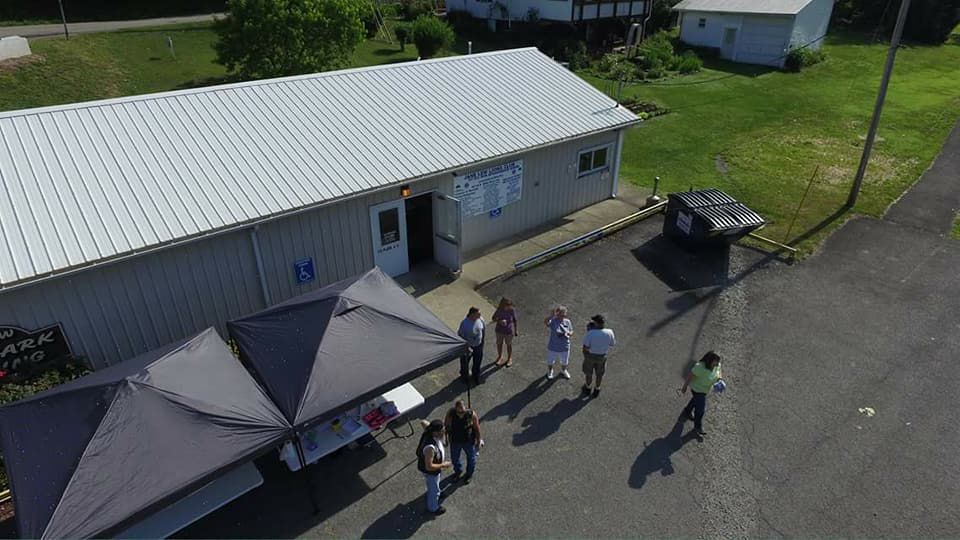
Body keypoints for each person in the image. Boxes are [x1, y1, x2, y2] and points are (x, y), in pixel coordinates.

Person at [678, 351, 723, 438]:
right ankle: (698, 427)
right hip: (697, 390)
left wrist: (720, 380)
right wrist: (684, 387)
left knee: (695, 400)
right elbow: (690, 376)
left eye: (718, 362)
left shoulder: (716, 366)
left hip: (705, 390)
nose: (717, 364)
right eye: (715, 362)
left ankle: (687, 411)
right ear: (710, 360)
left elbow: (719, 372)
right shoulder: (700, 368)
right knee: (700, 409)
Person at [417, 419, 452, 515]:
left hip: (434, 470)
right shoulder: (430, 448)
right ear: (435, 432)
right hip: (431, 472)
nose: (444, 432)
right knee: (433, 489)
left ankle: (438, 492)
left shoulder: (430, 431)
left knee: (435, 485)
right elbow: (429, 466)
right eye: (442, 431)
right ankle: (433, 507)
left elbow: (423, 422)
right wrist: (443, 465)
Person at [444, 399, 482, 484]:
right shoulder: (451, 413)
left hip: (468, 441)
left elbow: (476, 428)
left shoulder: (471, 414)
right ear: (455, 409)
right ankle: (458, 471)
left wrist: (478, 440)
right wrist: (445, 438)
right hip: (455, 441)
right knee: (454, 459)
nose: (461, 413)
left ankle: (469, 474)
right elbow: (446, 426)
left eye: (462, 410)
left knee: (471, 459)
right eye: (459, 411)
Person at [581, 314, 616, 398]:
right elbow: (612, 344)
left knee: (589, 373)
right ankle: (597, 389)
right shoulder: (610, 332)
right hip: (602, 356)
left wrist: (585, 354)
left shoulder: (590, 333)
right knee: (599, 374)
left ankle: (588, 388)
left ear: (596, 323)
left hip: (590, 356)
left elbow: (585, 347)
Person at [543, 306, 573, 380]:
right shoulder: (553, 321)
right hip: (553, 346)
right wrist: (551, 316)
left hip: (565, 346)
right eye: (560, 314)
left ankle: (564, 370)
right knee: (550, 361)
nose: (562, 316)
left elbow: (571, 331)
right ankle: (550, 371)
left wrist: (569, 333)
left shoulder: (567, 321)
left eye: (563, 314)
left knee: (565, 361)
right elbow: (545, 322)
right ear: (557, 314)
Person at [457, 307, 485, 385]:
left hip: (478, 346)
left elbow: (483, 330)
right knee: (465, 362)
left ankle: (475, 376)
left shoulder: (480, 319)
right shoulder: (465, 324)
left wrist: (481, 342)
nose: (480, 315)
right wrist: (467, 347)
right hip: (468, 347)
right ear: (472, 314)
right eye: (478, 314)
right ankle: (464, 376)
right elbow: (460, 336)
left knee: (477, 362)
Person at [492, 297, 519, 367]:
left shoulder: (512, 310)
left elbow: (515, 320)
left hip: (508, 331)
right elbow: (493, 318)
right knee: (499, 344)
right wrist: (499, 321)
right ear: (503, 305)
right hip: (499, 330)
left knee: (509, 345)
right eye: (507, 305)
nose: (509, 306)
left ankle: (509, 358)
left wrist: (516, 330)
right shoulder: (499, 310)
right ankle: (500, 357)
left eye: (509, 304)